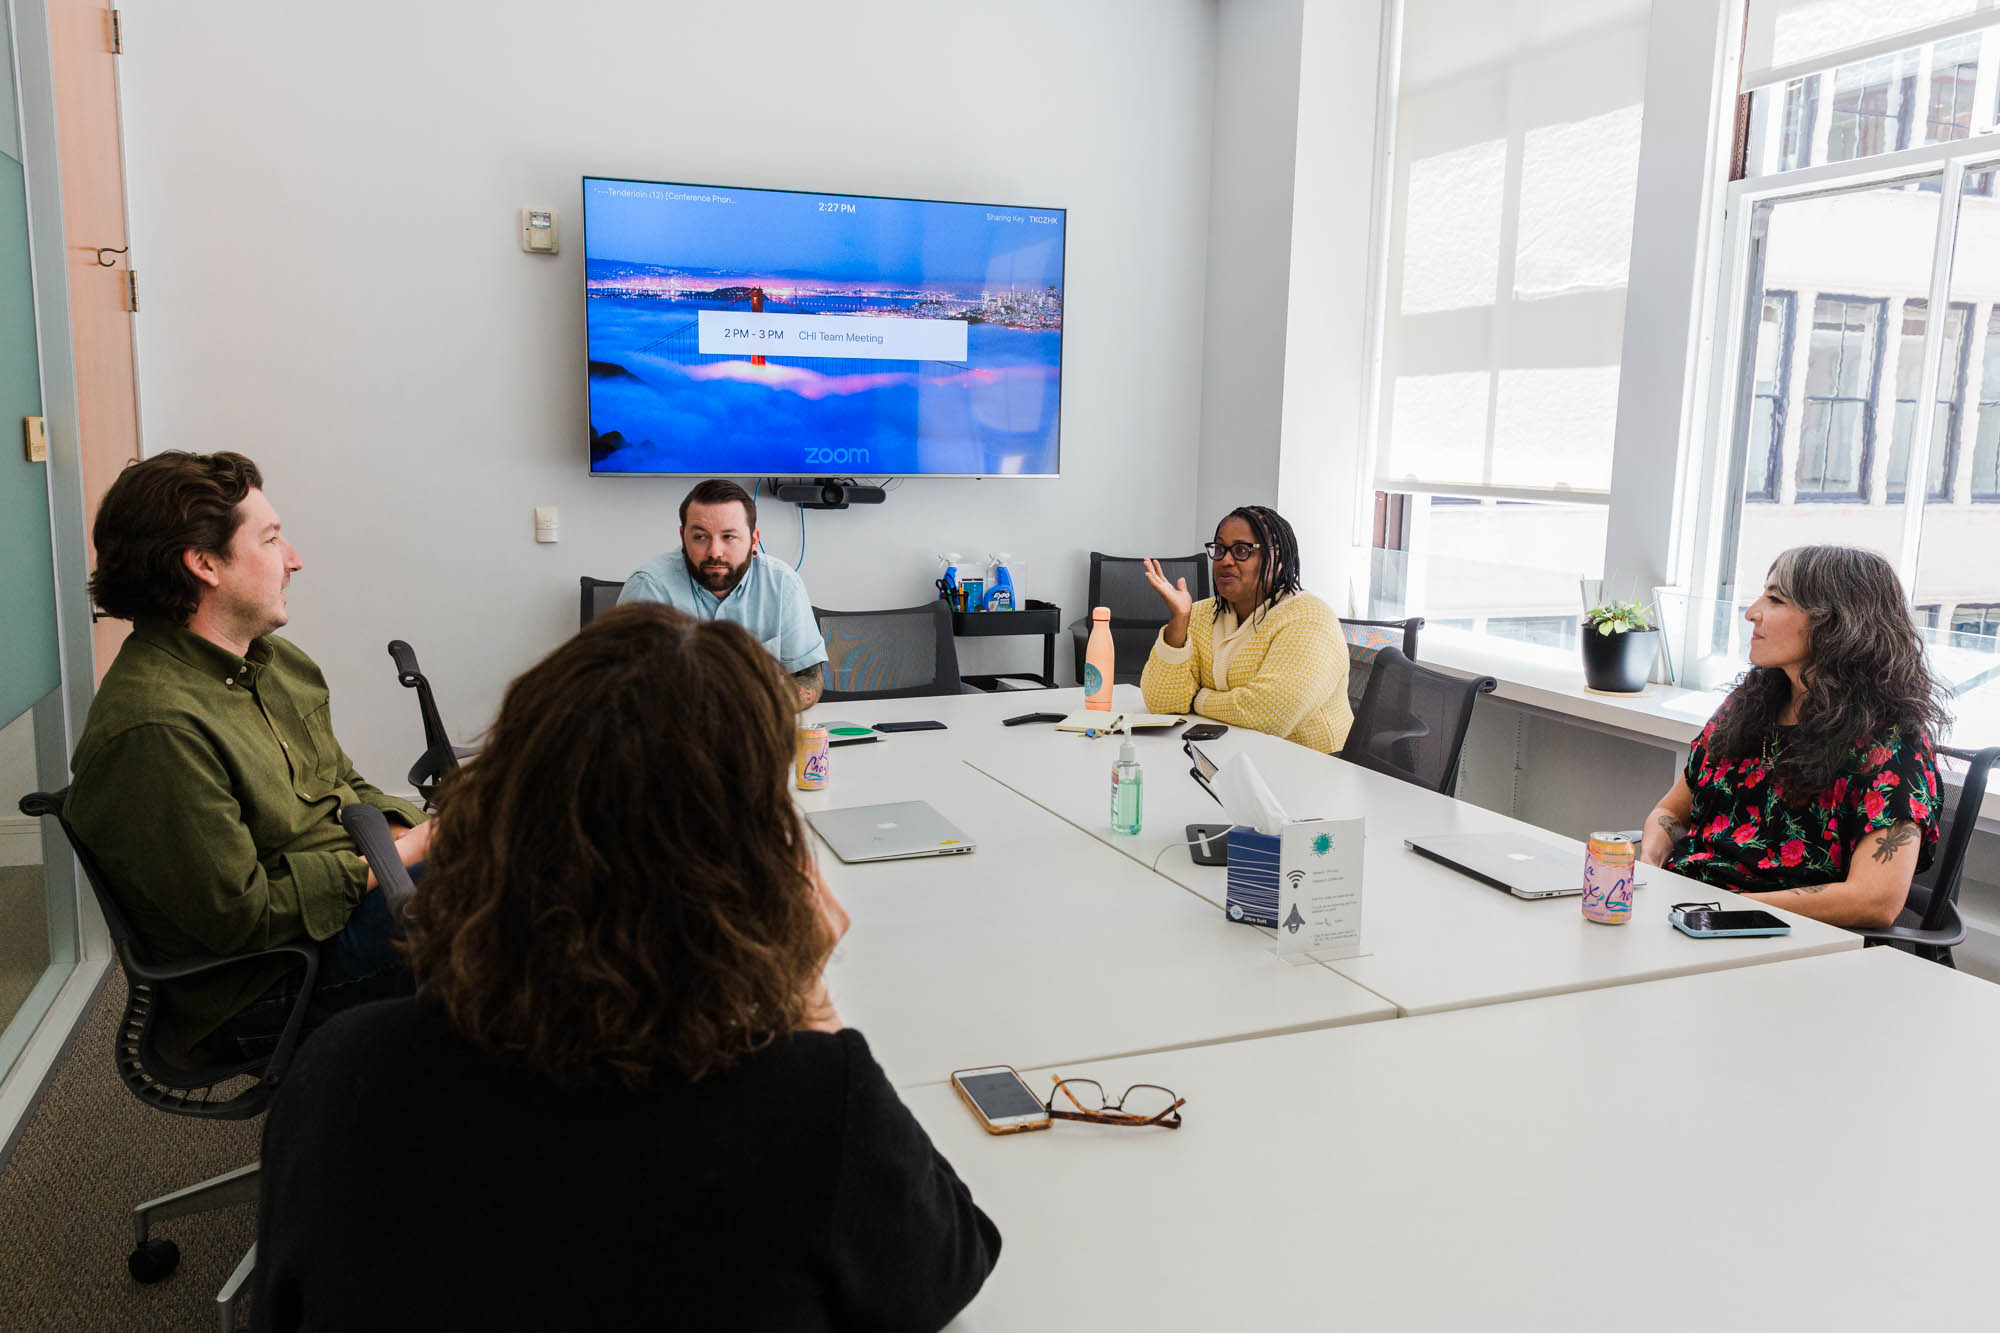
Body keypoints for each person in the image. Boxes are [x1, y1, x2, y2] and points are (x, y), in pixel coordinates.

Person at [253, 603, 1001, 1330]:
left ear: (498, 808)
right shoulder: (812, 1104)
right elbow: (948, 1271)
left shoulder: (337, 1072)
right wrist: (808, 991)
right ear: (742, 865)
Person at [65, 451, 429, 1062]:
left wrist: (411, 832)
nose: (294, 559)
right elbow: (244, 918)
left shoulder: (276, 663)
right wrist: (415, 850)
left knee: (540, 867)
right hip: (268, 983)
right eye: (271, 538)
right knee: (529, 925)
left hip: (348, 911)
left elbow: (345, 785)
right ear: (204, 564)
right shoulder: (155, 730)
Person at [1639, 545, 1948, 929]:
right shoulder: (1749, 706)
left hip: (1778, 937)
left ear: (1835, 623)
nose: (1752, 612)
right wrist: (1648, 865)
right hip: (1686, 913)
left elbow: (1876, 900)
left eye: (1775, 599)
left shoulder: (1890, 743)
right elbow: (1671, 812)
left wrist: (1725, 909)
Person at [1139, 505, 1353, 753]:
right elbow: (1161, 702)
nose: (1225, 560)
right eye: (1219, 550)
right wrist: (1179, 619)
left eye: (1242, 551)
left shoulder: (1309, 618)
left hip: (1312, 769)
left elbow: (1270, 716)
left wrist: (1198, 698)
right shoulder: (1200, 613)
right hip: (1232, 758)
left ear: (1279, 559)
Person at [619, 477, 830, 707]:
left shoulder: (783, 584)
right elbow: (620, 687)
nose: (715, 552)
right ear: (683, 537)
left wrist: (756, 709)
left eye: (728, 537)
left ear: (753, 541)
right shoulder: (649, 587)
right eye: (700, 537)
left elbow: (809, 678)